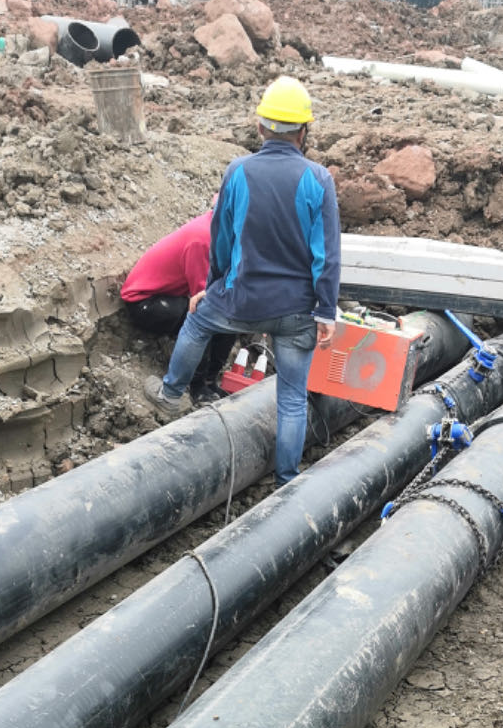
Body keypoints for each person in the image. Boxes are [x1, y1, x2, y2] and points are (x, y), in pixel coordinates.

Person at [143, 76, 341, 485]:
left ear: (260, 126)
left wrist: (212, 286)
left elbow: (222, 239)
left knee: (197, 321)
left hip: (240, 300)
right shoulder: (319, 179)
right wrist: (325, 311)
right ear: (304, 131)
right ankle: (287, 479)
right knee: (292, 398)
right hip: (297, 310)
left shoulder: (238, 171)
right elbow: (327, 253)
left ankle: (171, 394)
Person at [120, 212, 233, 398]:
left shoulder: (222, 231)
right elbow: (204, 301)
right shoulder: (203, 240)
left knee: (229, 320)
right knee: (205, 318)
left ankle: (210, 381)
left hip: (169, 295)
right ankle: (196, 386)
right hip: (144, 301)